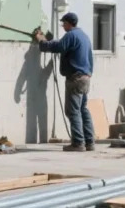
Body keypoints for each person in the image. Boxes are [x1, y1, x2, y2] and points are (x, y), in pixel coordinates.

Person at [34, 12, 95, 152]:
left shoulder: (71, 35)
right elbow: (89, 57)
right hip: (85, 77)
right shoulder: (84, 36)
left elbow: (59, 47)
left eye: (63, 23)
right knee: (83, 109)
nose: (62, 26)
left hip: (75, 78)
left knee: (73, 111)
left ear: (68, 23)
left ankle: (78, 143)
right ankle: (90, 142)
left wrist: (42, 42)